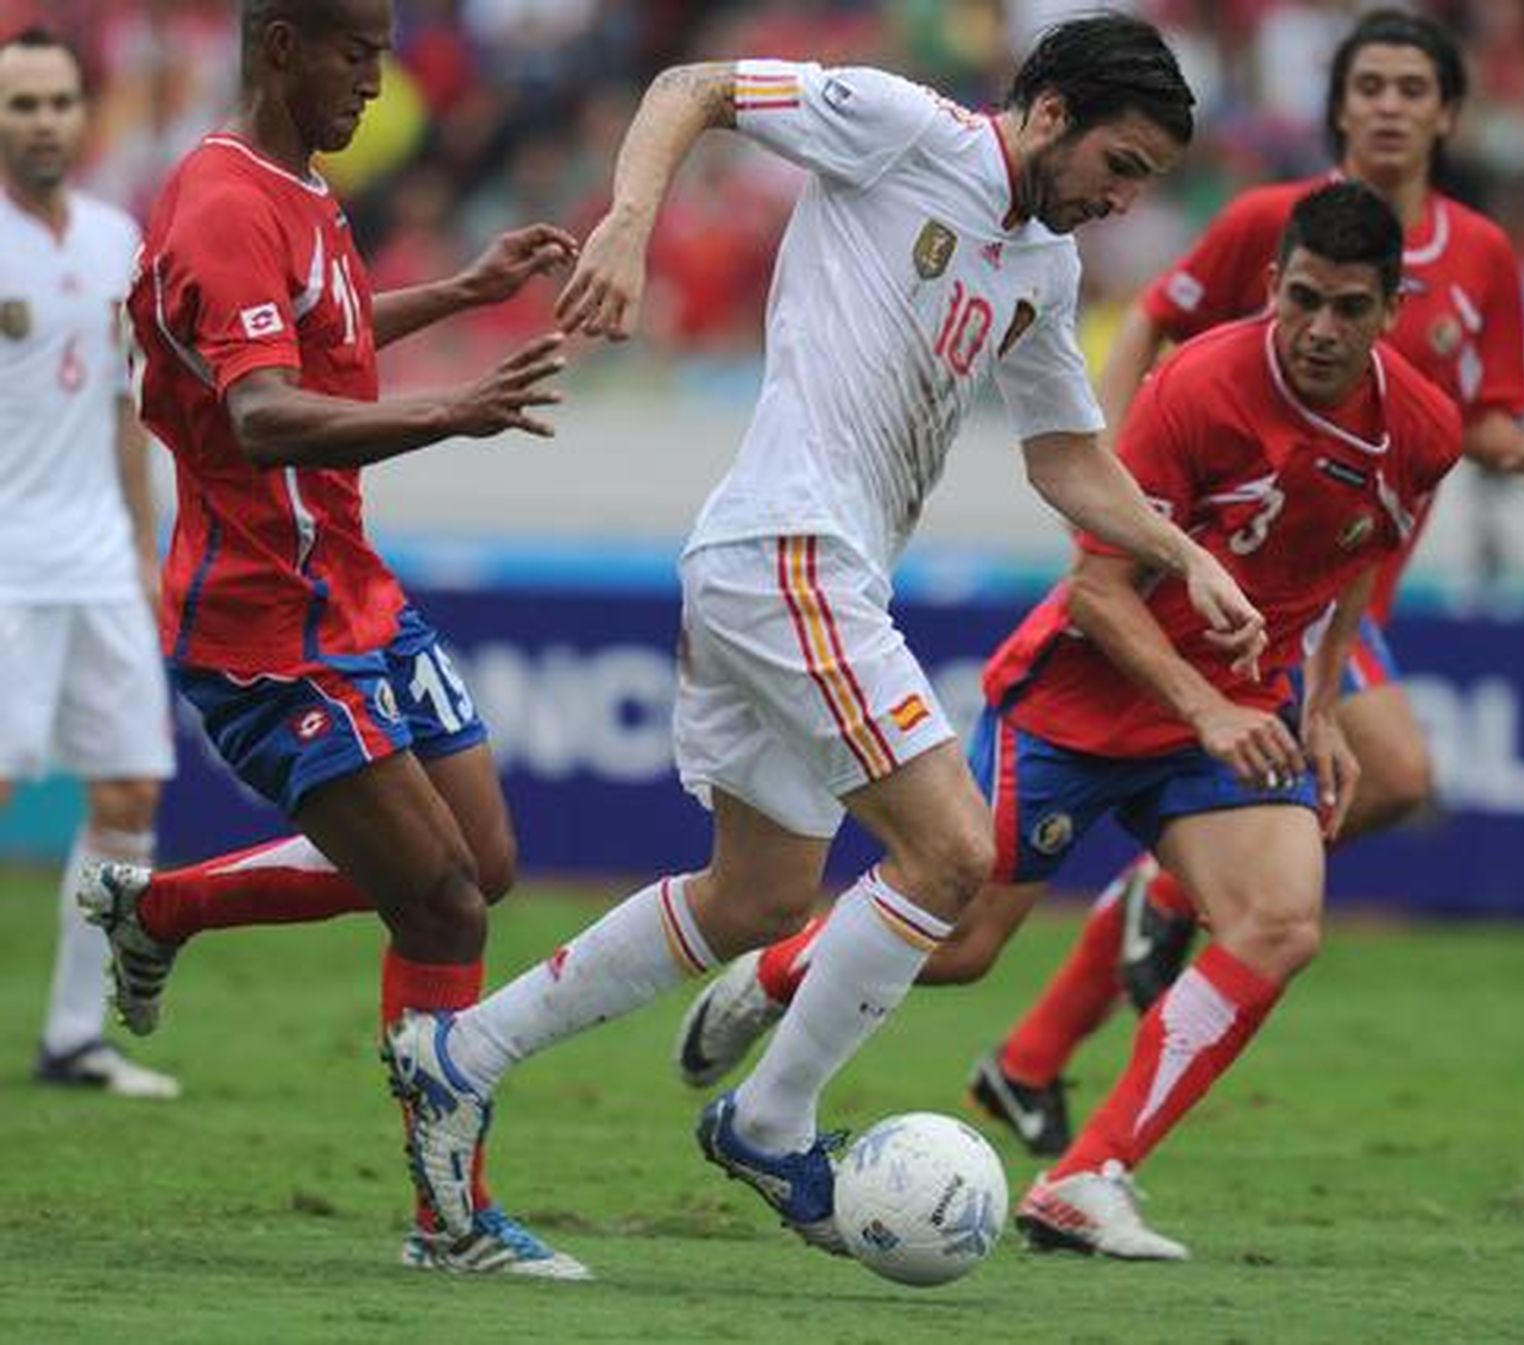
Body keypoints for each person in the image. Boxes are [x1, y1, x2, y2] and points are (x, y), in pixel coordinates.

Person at [379, 14, 1266, 1257]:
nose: (1123, 202)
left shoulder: (1043, 268)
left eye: (1146, 185)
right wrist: (628, 223)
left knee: (759, 893)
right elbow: (691, 84)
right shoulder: (904, 128)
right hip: (786, 548)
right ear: (1052, 113)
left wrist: (1183, 552)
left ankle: (462, 1055)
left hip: (798, 565)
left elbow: (1065, 458)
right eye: (1118, 168)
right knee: (955, 851)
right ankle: (772, 1117)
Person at [687, 7, 1524, 1160]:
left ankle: (1081, 1160)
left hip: (1277, 620)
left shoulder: (1475, 280)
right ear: (1338, 108)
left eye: (1415, 88)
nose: (1391, 108)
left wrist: (1504, 461)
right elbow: (1146, 326)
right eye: (1371, 87)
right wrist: (1123, 485)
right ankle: (814, 970)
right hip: (1138, 626)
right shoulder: (1256, 232)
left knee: (1332, 849)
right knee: (956, 934)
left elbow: (1403, 493)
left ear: (1451, 115)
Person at [691, 180, 1461, 1257]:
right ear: (1273, 285)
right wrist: (1204, 708)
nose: (1319, 328)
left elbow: (1355, 563)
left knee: (1280, 922)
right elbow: (1096, 591)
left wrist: (1322, 703)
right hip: (1084, 702)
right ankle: (781, 968)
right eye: (1301, 298)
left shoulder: (1423, 428)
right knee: (959, 947)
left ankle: (1086, 1176)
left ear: (1390, 308)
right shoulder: (1197, 385)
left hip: (1234, 715)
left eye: (1348, 307)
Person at [77, 0, 585, 1278]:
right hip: (262, 626)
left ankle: (166, 907)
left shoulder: (299, 187)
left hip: (349, 589)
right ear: (280, 46)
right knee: (441, 904)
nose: (378, 77)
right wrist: (456, 408)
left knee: (485, 859)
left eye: (384, 49)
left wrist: (461, 295)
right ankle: (449, 1220)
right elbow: (262, 416)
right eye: (354, 50)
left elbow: (328, 330)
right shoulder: (223, 205)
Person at [0, 27, 178, 1101]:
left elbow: (126, 409)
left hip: (101, 558)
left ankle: (74, 1036)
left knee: (128, 788)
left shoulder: (118, 238)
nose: (45, 120)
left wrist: (146, 545)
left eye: (60, 101)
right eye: (23, 104)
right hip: (6, 564)